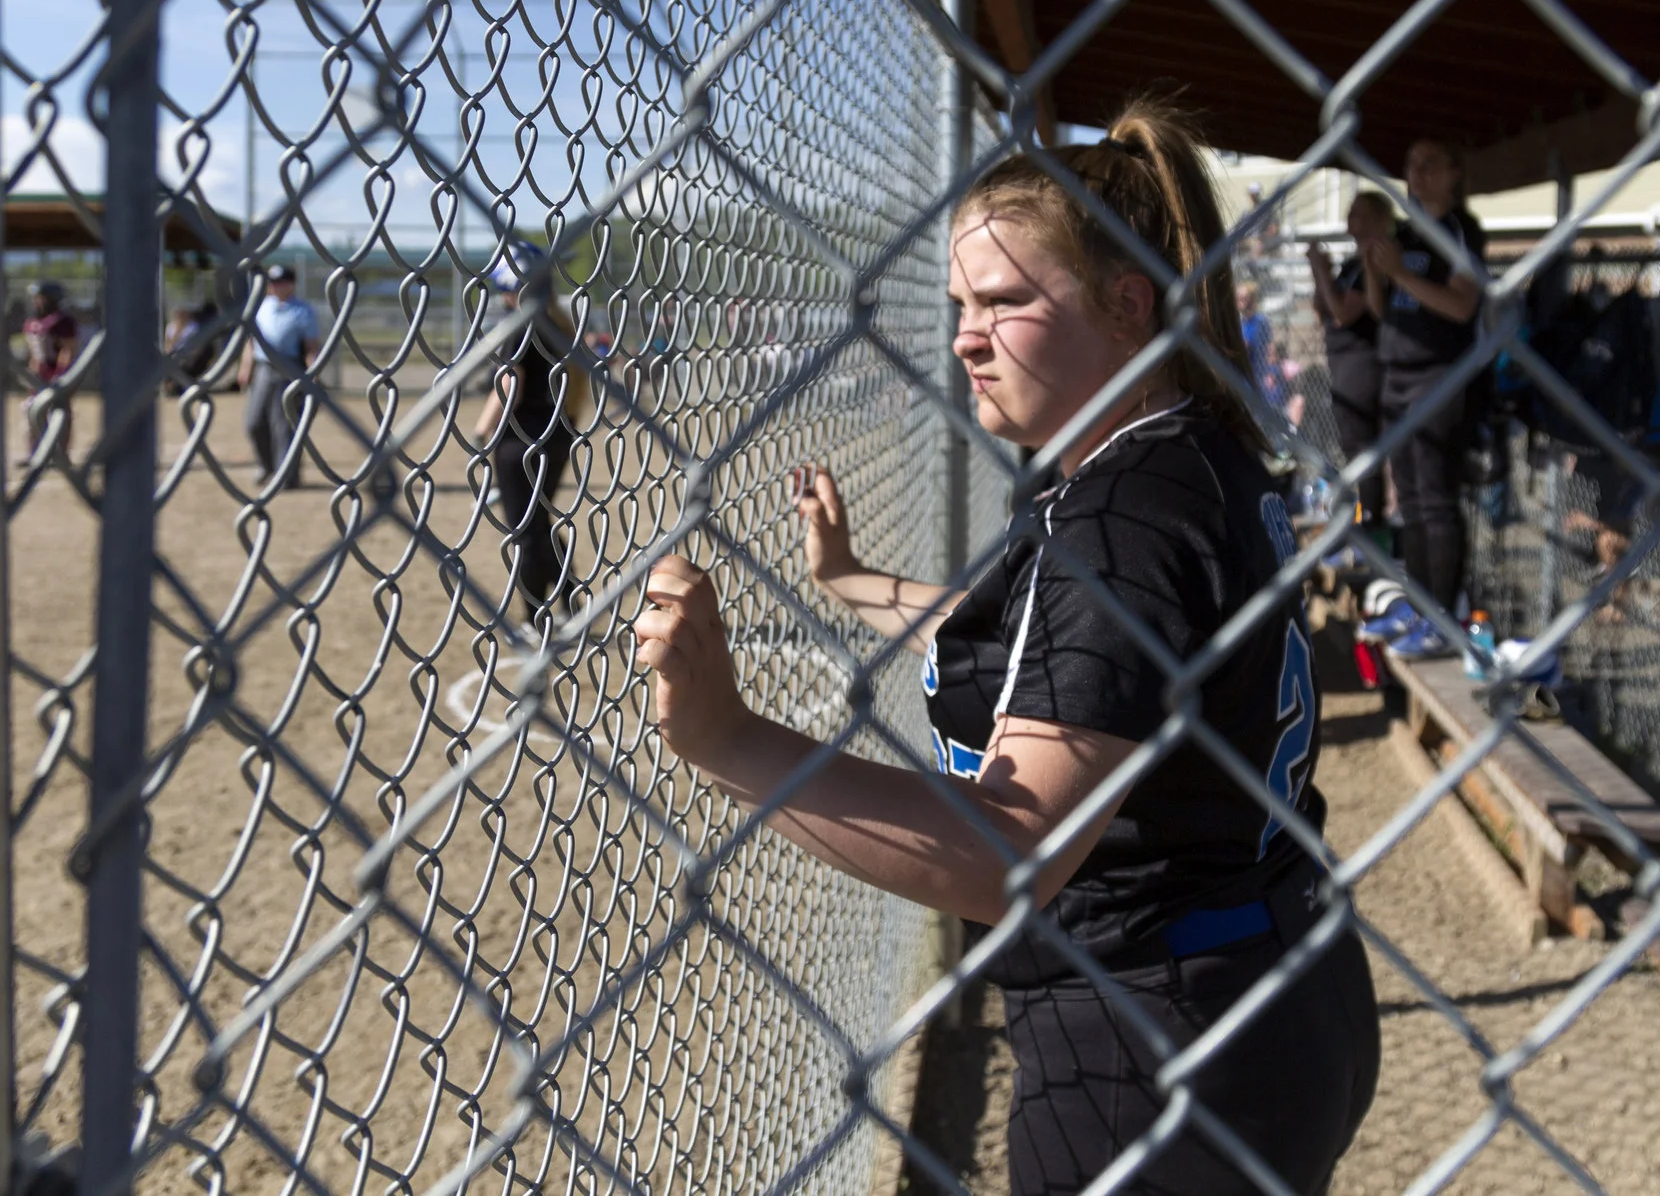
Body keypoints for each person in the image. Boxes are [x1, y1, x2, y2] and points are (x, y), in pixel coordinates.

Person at [630, 101, 1378, 1196]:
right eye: (959, 304)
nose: (966, 335)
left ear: (1127, 305)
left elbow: (1006, 853)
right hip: (1272, 985)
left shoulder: (1124, 516)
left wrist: (725, 736)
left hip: (1156, 1047)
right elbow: (1070, 653)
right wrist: (854, 581)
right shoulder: (1186, 452)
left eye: (1005, 301)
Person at [1360, 139, 1486, 618]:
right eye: (1411, 165)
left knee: (1435, 500)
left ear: (1455, 173)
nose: (1418, 173)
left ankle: (1443, 611)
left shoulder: (1460, 232)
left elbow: (1461, 304)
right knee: (1409, 501)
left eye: (1431, 164)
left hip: (1437, 377)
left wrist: (1400, 274)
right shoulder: (1407, 235)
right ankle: (1418, 605)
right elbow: (1380, 309)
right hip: (1396, 373)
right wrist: (1377, 272)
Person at [471, 241, 590, 629]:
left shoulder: (521, 323)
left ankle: (533, 618)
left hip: (519, 441)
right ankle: (570, 595)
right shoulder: (559, 321)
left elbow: (510, 385)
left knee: (524, 531)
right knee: (537, 522)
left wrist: (480, 431)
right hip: (557, 435)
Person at [1305, 189, 1397, 542]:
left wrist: (1321, 273)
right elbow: (1323, 307)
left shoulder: (1370, 265)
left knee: (1363, 446)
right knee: (1352, 444)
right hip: (1342, 363)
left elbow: (1344, 313)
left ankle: (1374, 523)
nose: (1349, 220)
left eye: (1357, 213)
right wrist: (1321, 273)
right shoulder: (1351, 264)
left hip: (1362, 365)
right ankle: (1368, 517)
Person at [239, 263, 320, 489]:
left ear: (291, 285)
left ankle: (287, 476)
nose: (274, 287)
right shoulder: (261, 307)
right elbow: (251, 340)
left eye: (280, 282)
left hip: (289, 369)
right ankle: (267, 466)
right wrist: (246, 366)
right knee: (254, 422)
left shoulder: (302, 310)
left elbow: (311, 345)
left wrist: (312, 372)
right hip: (263, 368)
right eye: (272, 283)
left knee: (283, 425)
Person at [22, 280, 81, 463]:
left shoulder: (62, 321)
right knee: (31, 412)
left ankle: (61, 454)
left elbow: (68, 349)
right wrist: (31, 374)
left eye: (40, 298)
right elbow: (33, 353)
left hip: (56, 373)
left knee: (61, 412)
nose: (36, 302)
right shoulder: (32, 322)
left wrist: (61, 373)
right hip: (39, 374)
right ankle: (35, 453)